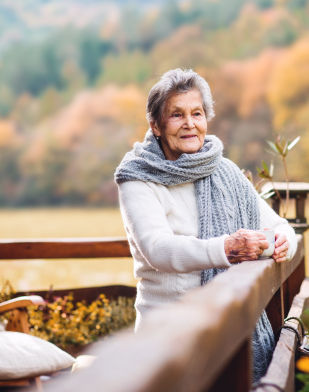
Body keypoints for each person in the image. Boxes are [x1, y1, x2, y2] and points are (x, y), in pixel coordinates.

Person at [114, 68, 297, 382]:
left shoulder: (222, 169)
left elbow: (282, 226)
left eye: (197, 113)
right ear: (155, 125)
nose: (189, 123)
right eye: (176, 115)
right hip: (167, 334)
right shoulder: (137, 177)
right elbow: (158, 250)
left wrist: (283, 241)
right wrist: (226, 248)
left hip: (226, 331)